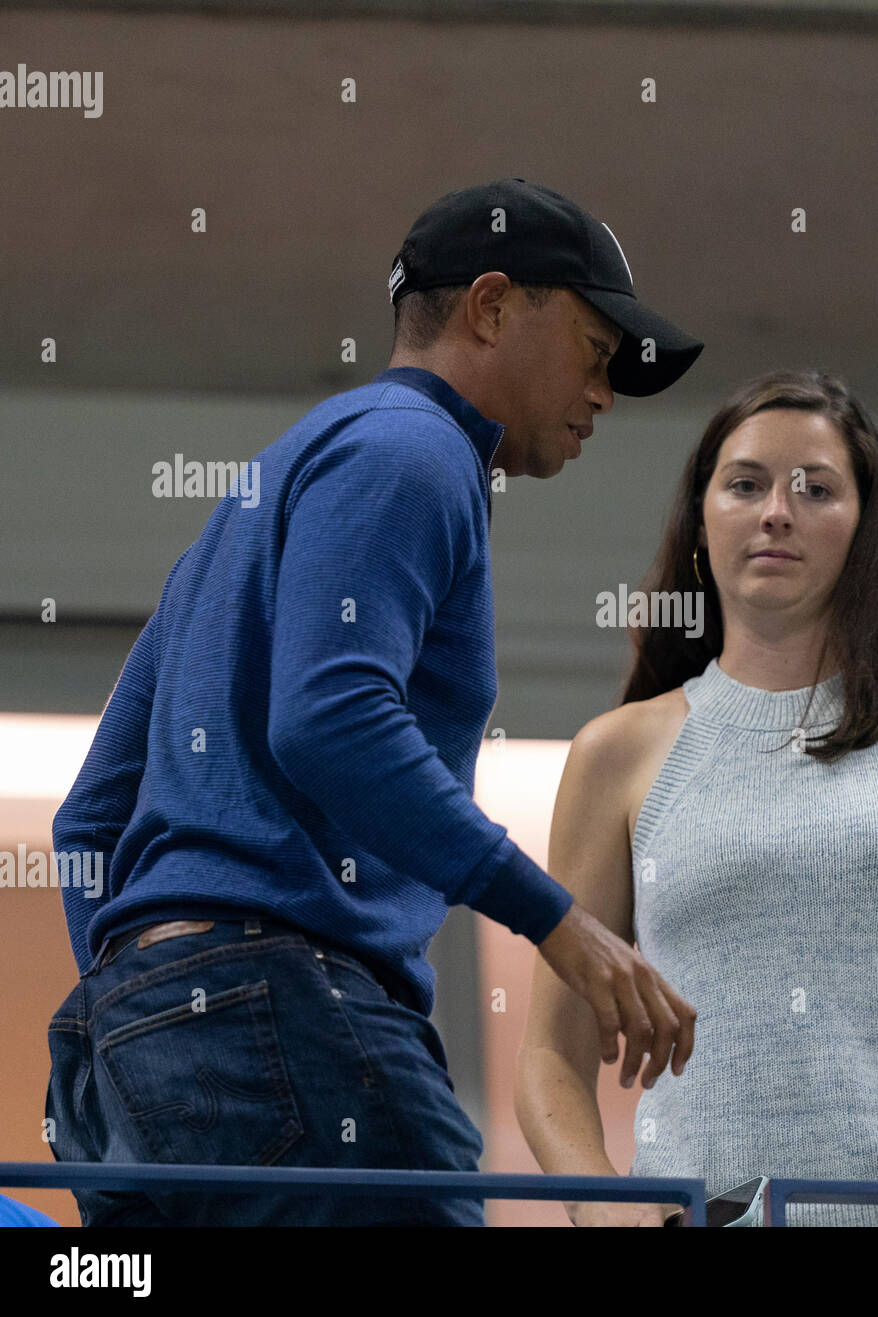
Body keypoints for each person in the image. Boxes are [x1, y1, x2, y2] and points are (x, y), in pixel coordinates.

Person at [45, 178, 703, 1227]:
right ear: (492, 308)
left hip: (134, 1050)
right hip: (288, 1008)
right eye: (593, 347)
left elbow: (87, 821)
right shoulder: (418, 453)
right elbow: (330, 717)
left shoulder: (260, 494)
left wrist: (144, 1002)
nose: (605, 394)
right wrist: (562, 925)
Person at [515, 368, 878, 1226]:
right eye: (746, 484)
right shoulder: (618, 753)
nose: (776, 511)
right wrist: (604, 1204)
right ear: (701, 522)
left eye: (816, 488)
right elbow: (547, 1055)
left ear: (864, 528)